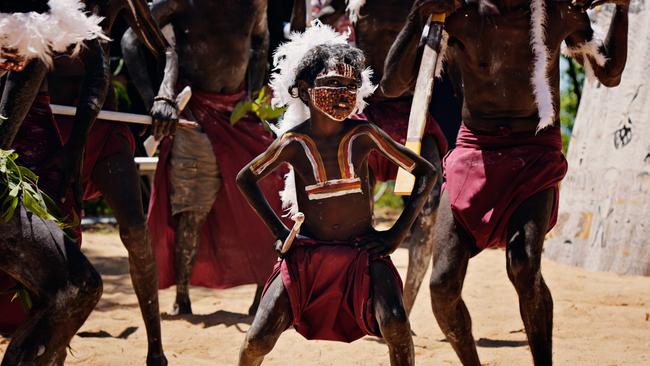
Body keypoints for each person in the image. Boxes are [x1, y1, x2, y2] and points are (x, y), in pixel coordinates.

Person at [382, 0, 630, 364]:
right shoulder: (457, 15)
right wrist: (419, 12)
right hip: (474, 152)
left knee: (524, 264)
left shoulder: (557, 12)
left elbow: (609, 73)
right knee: (442, 286)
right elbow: (391, 85)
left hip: (534, 153)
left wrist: (622, 10)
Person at [237, 23, 437, 366]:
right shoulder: (293, 143)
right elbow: (246, 179)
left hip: (363, 254)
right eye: (333, 84)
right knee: (257, 338)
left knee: (395, 323)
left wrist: (396, 234)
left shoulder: (363, 134)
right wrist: (281, 233)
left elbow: (426, 172)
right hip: (306, 257)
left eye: (351, 85)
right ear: (304, 89)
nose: (344, 93)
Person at [3, 1, 171, 363]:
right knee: (56, 250)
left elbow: (151, 49)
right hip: (35, 128)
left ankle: (156, 349)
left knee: (131, 231)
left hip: (96, 124)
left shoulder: (106, 8)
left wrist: (162, 96)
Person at [121, 0, 301, 315]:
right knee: (193, 210)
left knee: (273, 196)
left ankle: (263, 293)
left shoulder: (255, 3)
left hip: (240, 113)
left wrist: (254, 93)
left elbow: (259, 41)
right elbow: (131, 39)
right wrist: (156, 100)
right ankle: (182, 297)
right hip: (193, 114)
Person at [316, 0, 462, 315]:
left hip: (417, 112)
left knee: (428, 210)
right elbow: (322, 22)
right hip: (365, 111)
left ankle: (403, 308)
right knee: (356, 213)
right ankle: (364, 297)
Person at [0, 1, 104, 363]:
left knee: (76, 285)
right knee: (79, 287)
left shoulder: (47, 16)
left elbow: (96, 65)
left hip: (25, 156)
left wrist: (76, 146)